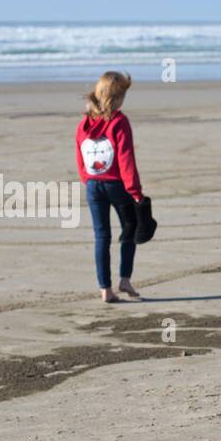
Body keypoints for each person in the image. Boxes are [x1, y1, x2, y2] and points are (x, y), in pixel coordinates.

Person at [75, 71, 144, 303]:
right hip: (116, 185)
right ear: (115, 98)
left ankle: (105, 289)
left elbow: (80, 156)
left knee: (101, 236)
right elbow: (126, 159)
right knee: (130, 227)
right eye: (122, 95)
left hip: (93, 185)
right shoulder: (120, 122)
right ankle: (124, 279)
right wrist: (135, 191)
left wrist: (87, 180)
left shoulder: (83, 124)